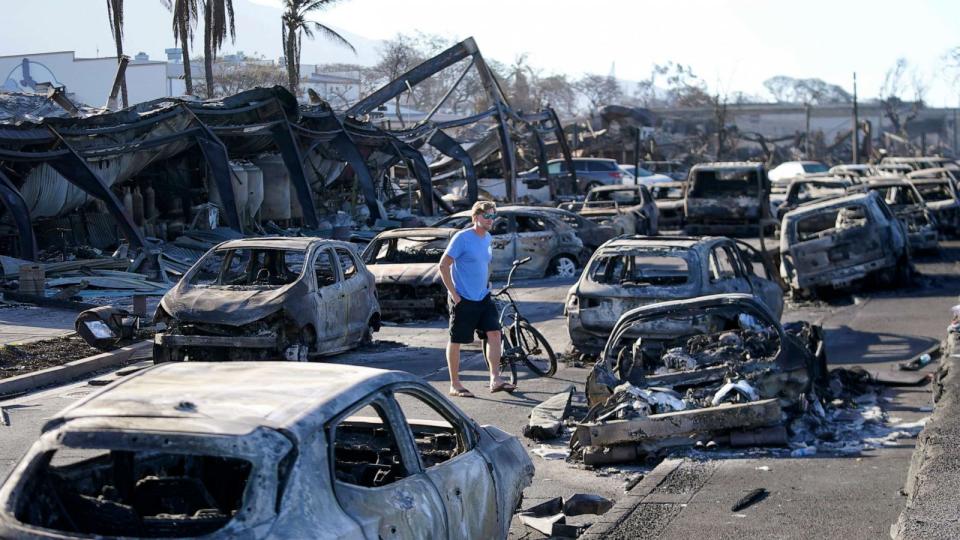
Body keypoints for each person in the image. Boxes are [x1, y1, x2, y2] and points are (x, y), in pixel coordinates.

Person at [438, 201, 515, 397]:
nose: (490, 220)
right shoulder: (462, 238)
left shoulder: (487, 237)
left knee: (495, 334)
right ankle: (455, 384)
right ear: (475, 217)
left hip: (483, 296)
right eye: (486, 216)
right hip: (463, 298)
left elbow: (485, 264)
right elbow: (443, 266)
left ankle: (495, 378)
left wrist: (488, 284)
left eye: (492, 216)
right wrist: (455, 295)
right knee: (457, 340)